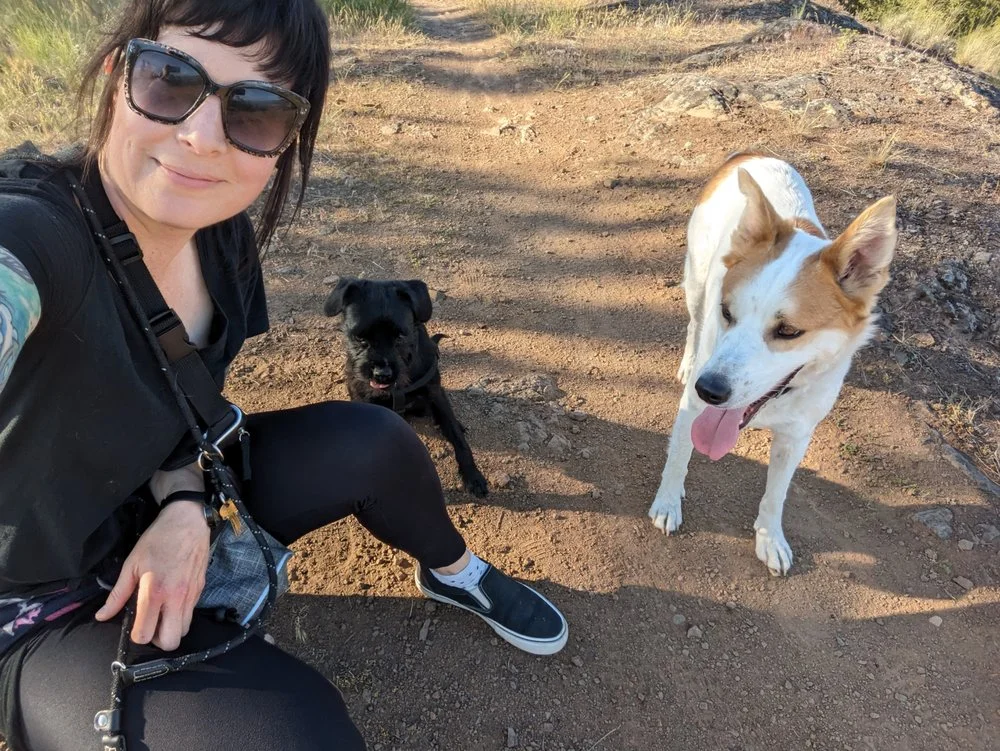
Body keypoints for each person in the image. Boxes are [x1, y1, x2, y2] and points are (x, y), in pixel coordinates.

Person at [0, 1, 568, 749]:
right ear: (117, 77)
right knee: (293, 733)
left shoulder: (222, 240)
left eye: (256, 111)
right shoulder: (36, 234)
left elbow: (181, 419)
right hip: (44, 600)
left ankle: (453, 569)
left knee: (376, 438)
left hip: (153, 506)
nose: (203, 136)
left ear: (286, 140)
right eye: (170, 78)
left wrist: (183, 505)